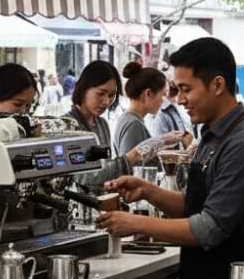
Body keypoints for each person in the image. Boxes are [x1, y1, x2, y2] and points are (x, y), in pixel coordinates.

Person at [97, 38, 244, 279]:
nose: (179, 100)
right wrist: (148, 191)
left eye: (185, 89)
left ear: (217, 85)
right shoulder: (213, 136)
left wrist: (136, 223)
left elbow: (209, 227)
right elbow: (197, 205)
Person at [68, 61, 179, 190]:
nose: (106, 101)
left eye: (111, 95)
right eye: (100, 93)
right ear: (84, 89)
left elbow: (106, 169)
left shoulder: (101, 124)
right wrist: (135, 155)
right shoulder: (67, 125)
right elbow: (85, 176)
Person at [115, 62, 188, 159]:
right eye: (163, 95)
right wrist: (163, 140)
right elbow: (129, 164)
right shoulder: (133, 124)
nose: (164, 100)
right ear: (148, 93)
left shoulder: (130, 120)